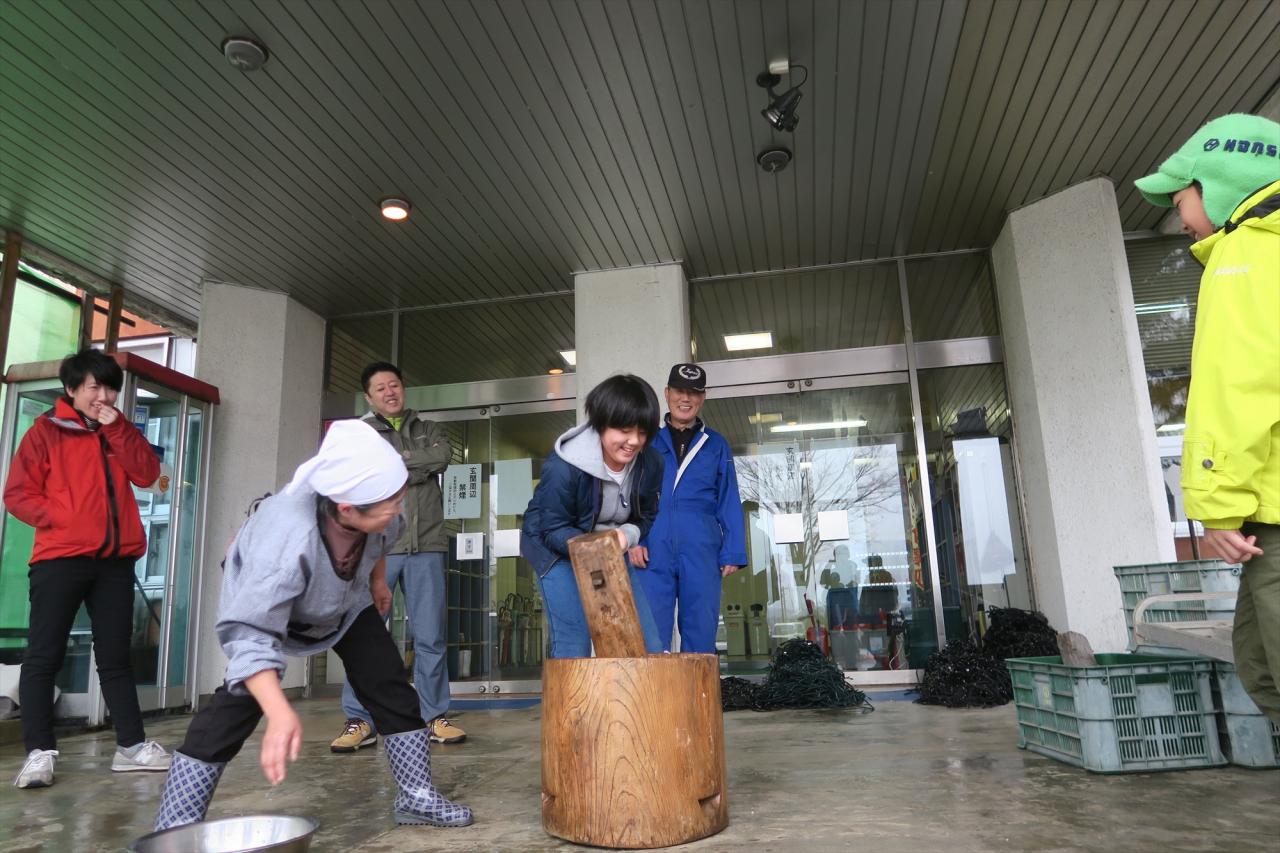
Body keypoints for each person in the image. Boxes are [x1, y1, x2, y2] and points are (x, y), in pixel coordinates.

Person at [151, 419, 472, 830]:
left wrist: (376, 583)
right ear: (346, 508)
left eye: (399, 494)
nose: (399, 505)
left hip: (346, 604)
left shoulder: (384, 507)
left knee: (388, 682)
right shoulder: (286, 536)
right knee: (235, 708)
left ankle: (417, 797)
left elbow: (382, 540)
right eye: (390, 501)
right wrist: (280, 711)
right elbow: (251, 633)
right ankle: (174, 825)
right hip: (272, 614)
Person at [1135, 112, 1280, 725]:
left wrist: (1218, 506)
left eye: (1182, 198)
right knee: (1260, 663)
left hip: (1272, 511)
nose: (1181, 216)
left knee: (1268, 669)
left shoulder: (1247, 254)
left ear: (1219, 185)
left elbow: (1238, 386)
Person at [5, 349, 170, 789]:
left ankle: (132, 748)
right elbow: (18, 494)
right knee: (44, 656)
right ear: (72, 390)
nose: (103, 395)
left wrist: (119, 430)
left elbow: (147, 473)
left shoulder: (122, 430)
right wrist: (64, 519)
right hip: (60, 559)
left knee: (116, 657)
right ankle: (40, 752)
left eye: (110, 387)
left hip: (115, 562)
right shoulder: (45, 432)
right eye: (94, 387)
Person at [330, 362, 464, 754]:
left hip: (427, 544)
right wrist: (410, 463)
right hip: (378, 548)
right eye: (381, 388)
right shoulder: (359, 435)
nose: (390, 392)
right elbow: (362, 475)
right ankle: (360, 719)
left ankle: (433, 714)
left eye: (395, 385)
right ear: (368, 398)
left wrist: (391, 463)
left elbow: (440, 458)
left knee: (431, 636)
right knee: (364, 638)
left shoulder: (430, 430)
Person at [520, 374, 666, 658]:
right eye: (624, 430)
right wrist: (599, 549)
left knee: (648, 645)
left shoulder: (651, 463)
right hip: (555, 549)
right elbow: (552, 528)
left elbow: (646, 515)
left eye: (642, 432)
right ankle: (568, 705)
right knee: (574, 642)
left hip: (610, 548)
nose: (634, 441)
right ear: (601, 424)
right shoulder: (563, 467)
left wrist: (629, 535)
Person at [633, 363, 746, 653]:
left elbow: (728, 498)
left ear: (703, 397)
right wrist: (635, 540)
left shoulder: (716, 444)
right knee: (651, 630)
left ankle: (698, 698)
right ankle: (655, 698)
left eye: (694, 393)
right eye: (680, 391)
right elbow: (631, 494)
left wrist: (732, 550)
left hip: (701, 546)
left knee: (701, 627)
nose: (686, 399)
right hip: (653, 545)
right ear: (667, 393)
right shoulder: (646, 442)